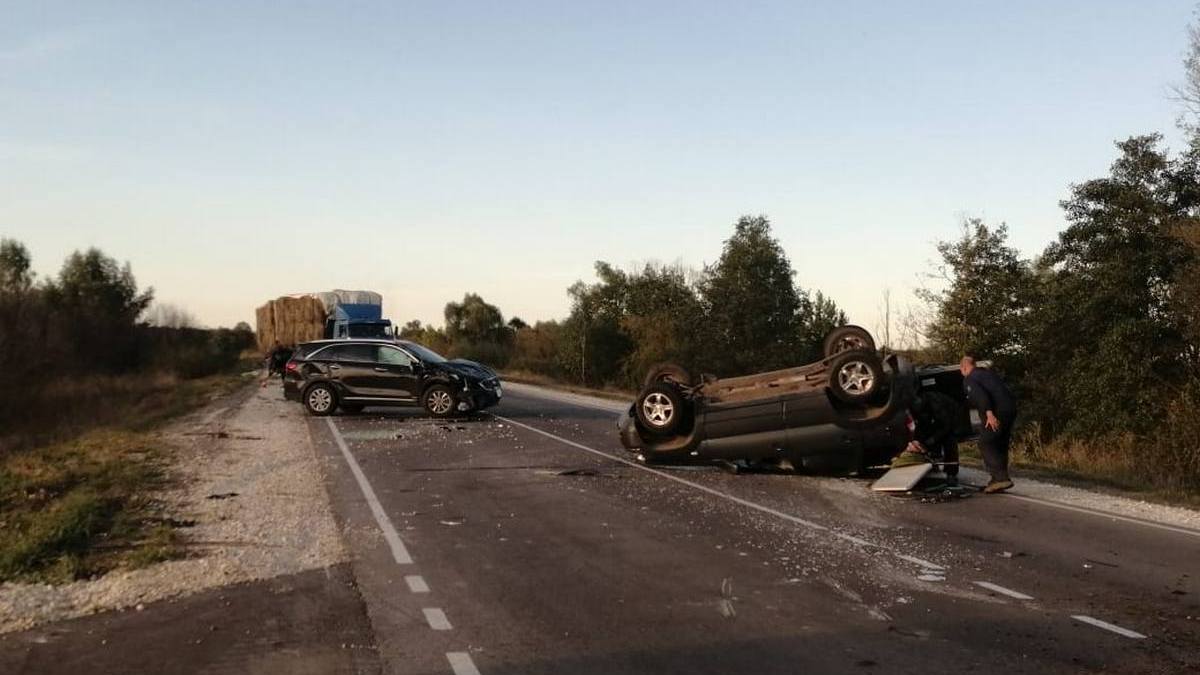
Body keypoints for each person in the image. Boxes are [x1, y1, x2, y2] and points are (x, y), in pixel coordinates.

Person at [961, 354, 1017, 493]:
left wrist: (989, 414)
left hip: (995, 412)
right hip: (1009, 410)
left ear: (964, 367)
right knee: (999, 443)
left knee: (985, 443)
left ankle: (1000, 478)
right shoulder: (988, 374)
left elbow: (980, 396)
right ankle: (997, 479)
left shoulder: (970, 378)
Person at [908, 391, 960, 486]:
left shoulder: (937, 405)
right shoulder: (912, 407)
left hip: (950, 417)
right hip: (931, 419)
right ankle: (931, 462)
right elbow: (917, 426)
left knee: (949, 442)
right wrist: (916, 440)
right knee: (925, 439)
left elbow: (946, 426)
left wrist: (934, 439)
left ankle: (951, 473)